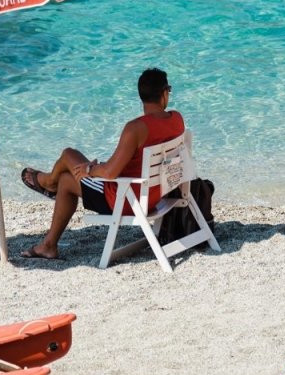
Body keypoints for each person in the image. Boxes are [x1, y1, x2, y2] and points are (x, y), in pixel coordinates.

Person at [18, 67, 184, 260]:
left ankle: (48, 183)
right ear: (165, 93)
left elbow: (111, 173)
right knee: (68, 174)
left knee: (67, 157)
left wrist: (92, 169)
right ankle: (48, 241)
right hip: (157, 195)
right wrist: (99, 168)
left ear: (141, 96)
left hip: (125, 200)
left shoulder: (136, 128)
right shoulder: (177, 119)